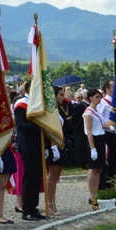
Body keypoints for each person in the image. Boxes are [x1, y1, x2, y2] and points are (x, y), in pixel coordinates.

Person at [13, 83, 47, 221]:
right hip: (27, 145)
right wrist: (39, 125)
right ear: (28, 89)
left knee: (37, 178)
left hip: (38, 144)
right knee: (30, 178)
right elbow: (21, 125)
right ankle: (27, 209)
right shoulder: (22, 103)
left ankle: (33, 207)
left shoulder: (38, 104)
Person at [83, 89, 112, 209]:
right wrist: (92, 149)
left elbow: (101, 124)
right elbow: (89, 131)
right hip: (93, 140)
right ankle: (93, 196)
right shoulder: (88, 113)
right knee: (93, 169)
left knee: (99, 169)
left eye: (100, 96)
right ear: (90, 98)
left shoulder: (97, 111)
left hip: (100, 139)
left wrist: (111, 128)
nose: (99, 99)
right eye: (97, 96)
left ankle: (97, 194)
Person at [43, 86, 66, 216]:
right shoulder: (50, 110)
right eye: (61, 95)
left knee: (55, 176)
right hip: (53, 145)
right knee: (52, 176)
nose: (63, 97)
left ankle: (52, 202)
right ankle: (50, 203)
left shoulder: (58, 109)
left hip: (58, 144)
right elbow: (50, 129)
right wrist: (53, 147)